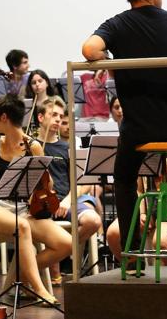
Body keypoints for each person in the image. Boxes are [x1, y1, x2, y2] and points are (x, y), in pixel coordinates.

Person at [81, 0, 167, 268]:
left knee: (124, 178)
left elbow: (88, 49)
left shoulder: (116, 25)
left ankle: (132, 252)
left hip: (140, 126)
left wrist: (107, 59)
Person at [0, 94, 68, 304]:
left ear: (5, 117)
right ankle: (40, 289)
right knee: (23, 229)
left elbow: (49, 184)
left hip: (24, 207)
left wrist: (42, 178)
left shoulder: (33, 146)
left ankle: (17, 277)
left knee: (65, 243)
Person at [36, 98, 102, 284]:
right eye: (53, 115)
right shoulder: (32, 145)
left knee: (93, 221)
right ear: (40, 117)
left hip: (68, 200)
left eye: (60, 116)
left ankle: (59, 254)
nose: (58, 119)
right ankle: (51, 262)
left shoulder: (67, 147)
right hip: (42, 203)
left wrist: (67, 201)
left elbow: (82, 182)